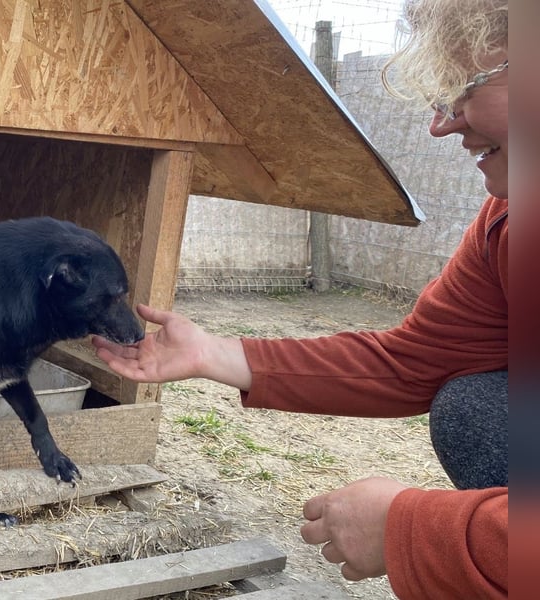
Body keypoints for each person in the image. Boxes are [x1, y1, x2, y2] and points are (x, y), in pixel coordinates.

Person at [92, 0, 508, 597]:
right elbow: (415, 361)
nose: (441, 125)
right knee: (478, 406)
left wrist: (416, 530)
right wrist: (216, 354)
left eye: (465, 89)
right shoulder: (510, 219)